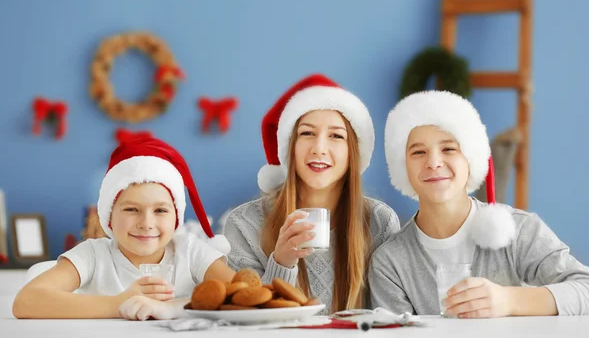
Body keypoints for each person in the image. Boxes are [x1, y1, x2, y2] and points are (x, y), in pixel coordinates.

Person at [369, 90, 589, 317]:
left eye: (449, 149)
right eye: (418, 152)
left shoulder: (518, 230)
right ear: (402, 167)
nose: (434, 162)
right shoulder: (390, 262)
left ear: (471, 158)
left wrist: (509, 301)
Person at [224, 74, 401, 314]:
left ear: (353, 153)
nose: (319, 148)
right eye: (307, 133)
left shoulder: (380, 222)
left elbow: (391, 319)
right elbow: (245, 323)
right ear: (290, 147)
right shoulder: (244, 225)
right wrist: (282, 263)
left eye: (336, 136)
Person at [13, 137, 234, 320]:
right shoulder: (92, 255)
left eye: (160, 211)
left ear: (176, 217)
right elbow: (26, 302)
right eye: (131, 209)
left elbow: (246, 293)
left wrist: (174, 308)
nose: (146, 223)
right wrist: (119, 304)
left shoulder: (191, 251)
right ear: (109, 215)